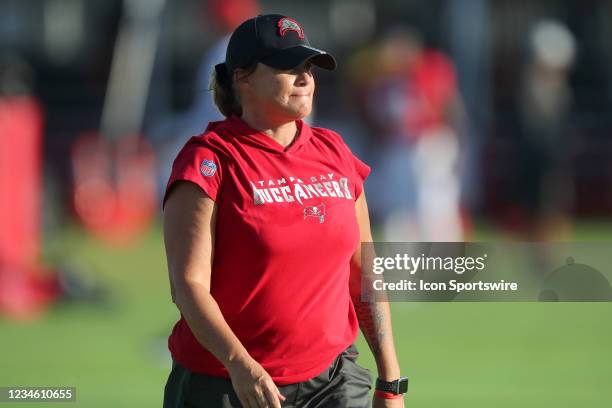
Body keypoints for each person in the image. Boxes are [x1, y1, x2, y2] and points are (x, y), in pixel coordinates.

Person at [162, 14, 407, 408]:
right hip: (227, 383)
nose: (304, 78)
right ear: (243, 77)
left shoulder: (335, 152)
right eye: (287, 67)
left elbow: (364, 271)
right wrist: (240, 365)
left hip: (333, 380)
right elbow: (188, 284)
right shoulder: (210, 160)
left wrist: (391, 379)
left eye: (308, 67)